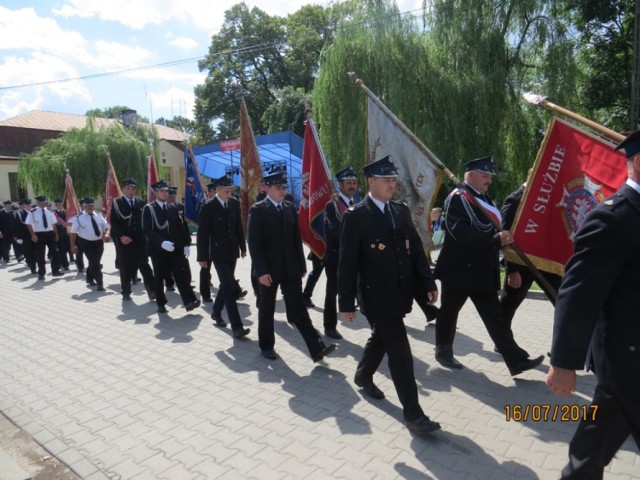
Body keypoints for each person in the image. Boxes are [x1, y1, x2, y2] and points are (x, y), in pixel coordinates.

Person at [546, 130, 640, 479]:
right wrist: (564, 362)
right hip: (628, 366)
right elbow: (578, 292)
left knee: (587, 457)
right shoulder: (613, 218)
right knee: (587, 458)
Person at [338, 156, 441, 435]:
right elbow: (347, 263)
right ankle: (413, 414)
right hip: (375, 296)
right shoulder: (356, 216)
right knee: (401, 353)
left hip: (400, 292)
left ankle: (362, 374)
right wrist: (346, 303)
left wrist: (427, 283)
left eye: (394, 180)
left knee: (382, 337)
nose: (391, 184)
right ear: (370, 182)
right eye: (386, 180)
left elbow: (415, 251)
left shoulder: (400, 211)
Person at [433, 156, 544, 375]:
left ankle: (516, 361)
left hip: (483, 271)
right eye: (485, 176)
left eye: (490, 176)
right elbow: (459, 232)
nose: (489, 180)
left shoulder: (486, 200)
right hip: (459, 269)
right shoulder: (458, 198)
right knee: (449, 312)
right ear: (470, 175)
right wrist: (496, 240)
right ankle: (443, 350)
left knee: (494, 317)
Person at [247, 169, 336, 362]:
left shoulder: (288, 207)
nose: (282, 190)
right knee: (267, 307)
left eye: (284, 187)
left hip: (290, 269)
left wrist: (302, 265)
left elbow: (296, 240)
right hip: (268, 270)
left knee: (298, 309)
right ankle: (267, 345)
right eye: (278, 187)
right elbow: (254, 244)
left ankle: (316, 348)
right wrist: (261, 271)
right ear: (267, 188)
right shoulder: (258, 210)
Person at [499, 180, 562, 331]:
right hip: (521, 264)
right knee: (508, 307)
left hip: (545, 263)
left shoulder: (546, 199)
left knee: (563, 303)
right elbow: (505, 236)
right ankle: (503, 343)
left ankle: (560, 347)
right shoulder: (515, 199)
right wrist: (513, 270)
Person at [197, 174, 250, 338]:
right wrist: (202, 257)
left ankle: (216, 312)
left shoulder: (234, 204)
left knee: (225, 285)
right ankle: (237, 327)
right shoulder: (208, 207)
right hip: (218, 253)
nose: (230, 194)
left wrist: (242, 246)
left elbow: (238, 227)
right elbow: (203, 234)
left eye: (231, 191)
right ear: (218, 190)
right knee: (228, 288)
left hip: (232, 251)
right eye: (226, 191)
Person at [142, 181, 200, 314]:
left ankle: (189, 301)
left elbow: (181, 228)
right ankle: (161, 303)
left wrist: (186, 243)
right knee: (159, 276)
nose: (165, 193)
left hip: (174, 248)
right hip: (158, 249)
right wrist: (161, 243)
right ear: (155, 193)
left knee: (181, 274)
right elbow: (147, 230)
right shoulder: (149, 209)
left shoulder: (172, 208)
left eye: (166, 191)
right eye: (162, 191)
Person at [323, 166, 359, 340]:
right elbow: (336, 230)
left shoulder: (356, 204)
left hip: (352, 256)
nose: (352, 186)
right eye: (348, 183)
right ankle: (329, 326)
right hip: (335, 257)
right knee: (332, 291)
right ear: (340, 185)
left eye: (354, 182)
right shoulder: (333, 205)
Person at [110, 178, 155, 301]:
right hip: (124, 240)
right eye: (128, 189)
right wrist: (121, 236)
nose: (131, 191)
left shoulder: (141, 202)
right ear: (124, 189)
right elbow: (113, 221)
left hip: (140, 240)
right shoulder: (117, 203)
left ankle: (152, 290)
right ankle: (126, 292)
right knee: (125, 267)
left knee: (144, 265)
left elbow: (146, 220)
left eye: (133, 189)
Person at [69, 198, 110, 291]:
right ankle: (100, 283)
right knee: (95, 262)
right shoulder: (78, 218)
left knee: (94, 262)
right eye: (88, 206)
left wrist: (107, 234)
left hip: (99, 242)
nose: (90, 207)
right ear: (84, 206)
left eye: (91, 205)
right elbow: (73, 233)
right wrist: (72, 245)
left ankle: (89, 277)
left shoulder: (99, 216)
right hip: (86, 243)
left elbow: (106, 226)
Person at [25, 195, 63, 280]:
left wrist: (56, 234)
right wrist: (33, 234)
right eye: (42, 203)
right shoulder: (33, 212)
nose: (44, 204)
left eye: (45, 203)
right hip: (39, 234)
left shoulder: (50, 212)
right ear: (38, 203)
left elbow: (54, 224)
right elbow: (29, 224)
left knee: (55, 252)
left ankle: (55, 270)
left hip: (50, 234)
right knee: (40, 254)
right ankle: (41, 273)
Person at [52, 199, 72, 271]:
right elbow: (53, 225)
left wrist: (70, 233)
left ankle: (62, 262)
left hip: (67, 234)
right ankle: (65, 265)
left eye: (61, 204)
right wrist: (56, 235)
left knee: (67, 249)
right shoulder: (54, 213)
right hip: (59, 235)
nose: (60, 206)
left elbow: (69, 223)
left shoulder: (66, 212)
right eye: (58, 205)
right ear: (56, 205)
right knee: (62, 251)